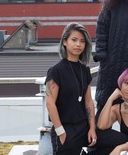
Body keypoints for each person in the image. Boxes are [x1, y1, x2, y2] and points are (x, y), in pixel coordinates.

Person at [45, 22, 97, 155]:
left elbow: (88, 102)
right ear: (64, 42)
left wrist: (92, 128)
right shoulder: (56, 71)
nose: (78, 44)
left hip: (83, 128)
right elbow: (50, 103)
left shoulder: (85, 70)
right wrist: (60, 132)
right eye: (74, 40)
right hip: (65, 129)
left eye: (82, 41)